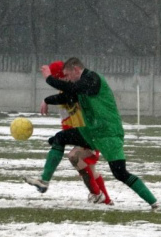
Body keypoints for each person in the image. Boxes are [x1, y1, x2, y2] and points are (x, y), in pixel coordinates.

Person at [24, 57, 161, 210]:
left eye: (68, 75)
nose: (68, 80)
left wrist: (49, 78)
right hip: (92, 132)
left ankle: (154, 203)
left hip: (108, 132)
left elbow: (72, 90)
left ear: (76, 69)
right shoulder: (80, 86)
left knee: (120, 173)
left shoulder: (92, 78)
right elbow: (67, 97)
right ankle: (44, 182)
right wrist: (47, 100)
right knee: (60, 138)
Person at [41, 61, 113, 205]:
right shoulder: (68, 90)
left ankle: (102, 198)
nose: (62, 79)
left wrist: (62, 138)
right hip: (83, 133)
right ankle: (106, 200)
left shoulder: (73, 90)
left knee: (81, 163)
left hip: (88, 132)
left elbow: (73, 114)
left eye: (62, 76)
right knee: (90, 169)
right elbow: (69, 120)